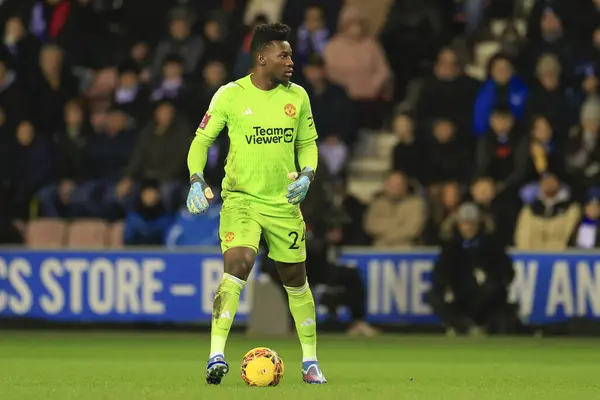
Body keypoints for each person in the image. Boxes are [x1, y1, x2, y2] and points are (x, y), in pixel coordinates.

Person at [186, 23, 326, 385]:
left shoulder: (298, 97)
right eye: (284, 55)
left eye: (291, 54)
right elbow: (201, 142)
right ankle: (216, 354)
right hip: (241, 201)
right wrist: (197, 179)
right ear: (262, 57)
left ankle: (310, 362)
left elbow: (308, 143)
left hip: (283, 204)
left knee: (296, 280)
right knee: (238, 264)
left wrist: (308, 175)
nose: (291, 61)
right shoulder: (229, 95)